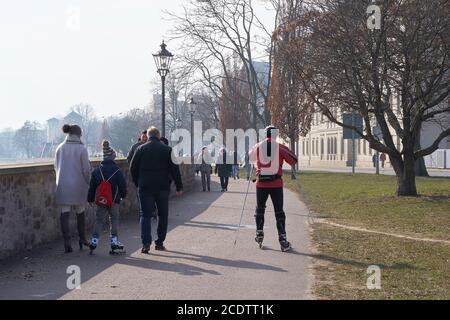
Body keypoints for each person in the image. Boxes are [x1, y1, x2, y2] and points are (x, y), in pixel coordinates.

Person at [130, 127, 183, 253]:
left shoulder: (140, 149)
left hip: (145, 187)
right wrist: (179, 186)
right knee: (163, 215)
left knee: (145, 215)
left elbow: (133, 167)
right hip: (162, 187)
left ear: (148, 136)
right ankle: (159, 242)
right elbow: (175, 170)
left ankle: (146, 243)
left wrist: (138, 182)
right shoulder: (167, 150)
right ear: (158, 137)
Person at [248, 126, 298, 252]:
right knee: (279, 212)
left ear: (265, 135)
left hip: (261, 185)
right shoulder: (280, 147)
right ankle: (283, 240)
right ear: (276, 135)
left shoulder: (258, 146)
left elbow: (249, 157)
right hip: (276, 184)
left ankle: (259, 233)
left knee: (260, 209)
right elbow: (293, 160)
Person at [54, 124, 91, 253]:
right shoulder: (82, 149)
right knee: (80, 211)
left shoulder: (60, 148)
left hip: (63, 185)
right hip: (78, 185)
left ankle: (67, 242)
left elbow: (56, 167)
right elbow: (86, 170)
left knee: (65, 212)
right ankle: (82, 239)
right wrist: (88, 183)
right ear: (78, 135)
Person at [87, 140, 127, 255]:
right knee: (113, 219)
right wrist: (123, 195)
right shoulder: (117, 170)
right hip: (114, 200)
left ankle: (94, 241)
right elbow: (122, 185)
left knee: (99, 220)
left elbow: (92, 187)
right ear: (112, 157)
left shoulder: (97, 171)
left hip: (101, 201)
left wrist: (90, 199)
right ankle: (114, 242)